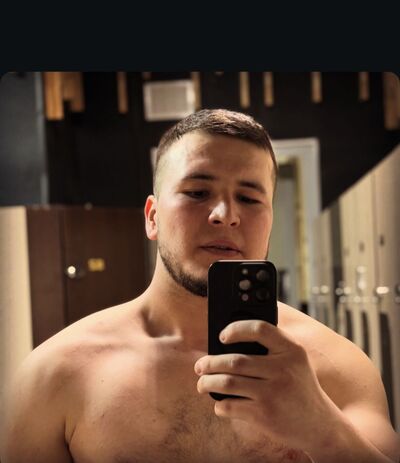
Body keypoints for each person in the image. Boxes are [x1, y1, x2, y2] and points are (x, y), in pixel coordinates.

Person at [1, 109, 399, 463]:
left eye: (249, 198)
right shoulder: (57, 374)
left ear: (270, 220)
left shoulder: (335, 368)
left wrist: (323, 430)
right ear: (152, 217)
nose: (225, 215)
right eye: (197, 193)